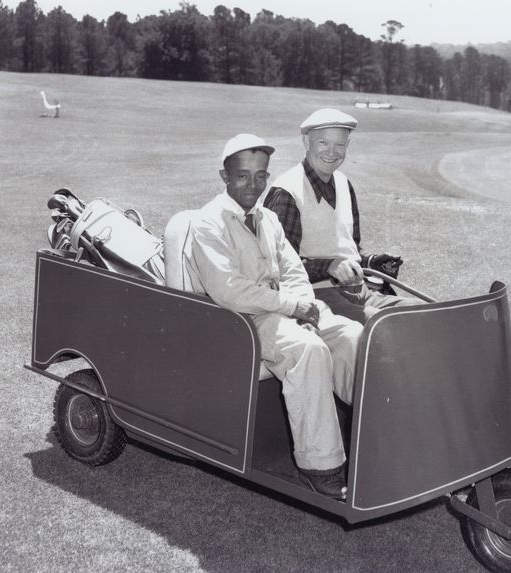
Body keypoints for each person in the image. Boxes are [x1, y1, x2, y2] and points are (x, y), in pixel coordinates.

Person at [165, 134, 362, 500]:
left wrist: (305, 307)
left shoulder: (268, 218)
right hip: (239, 322)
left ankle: (370, 437)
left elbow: (293, 272)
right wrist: (292, 307)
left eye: (260, 176)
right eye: (242, 176)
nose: (252, 185)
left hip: (281, 311)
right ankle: (321, 465)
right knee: (308, 351)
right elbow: (229, 290)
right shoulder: (209, 224)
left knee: (352, 336)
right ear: (224, 177)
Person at [263, 108, 420, 325]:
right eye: (323, 143)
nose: (332, 152)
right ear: (306, 142)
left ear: (347, 146)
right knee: (385, 327)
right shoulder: (286, 192)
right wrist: (329, 266)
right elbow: (276, 267)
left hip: (361, 291)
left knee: (422, 313)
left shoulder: (344, 183)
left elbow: (349, 250)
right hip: (315, 297)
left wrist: (371, 261)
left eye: (340, 144)